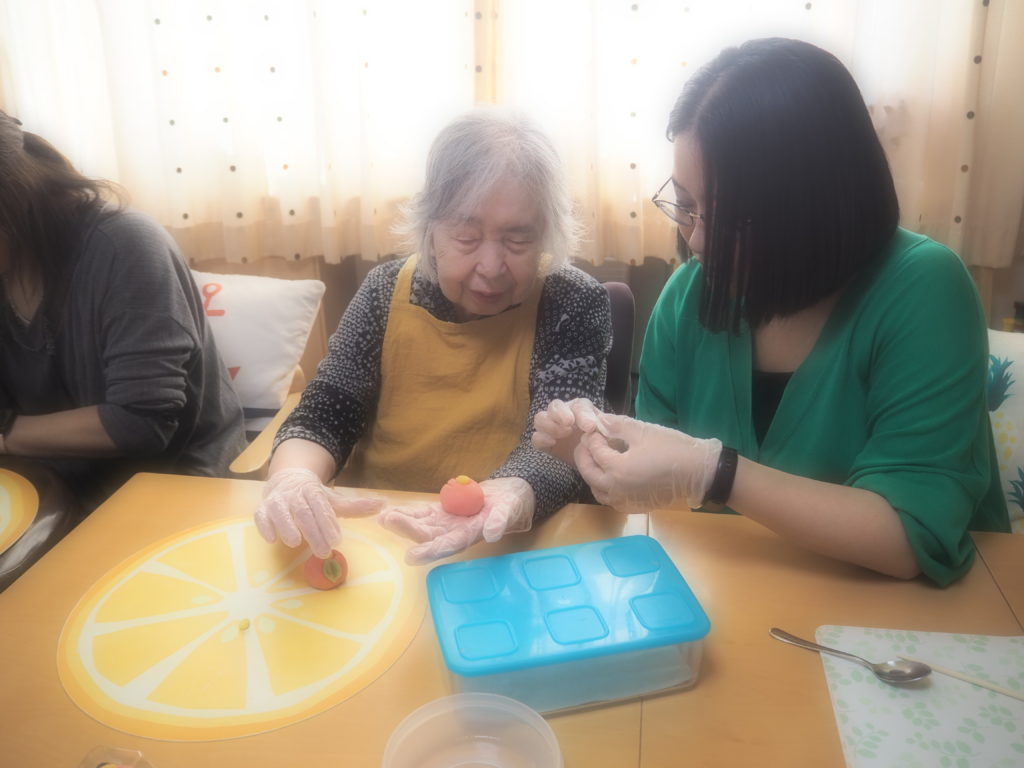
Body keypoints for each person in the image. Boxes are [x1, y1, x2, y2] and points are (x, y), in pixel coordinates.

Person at [532, 38, 1009, 587]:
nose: (698, 240)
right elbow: (662, 493)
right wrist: (598, 452)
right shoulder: (688, 296)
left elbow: (907, 538)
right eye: (686, 204)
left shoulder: (924, 288)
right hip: (743, 594)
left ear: (822, 207)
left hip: (910, 615)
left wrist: (715, 473)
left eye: (735, 218)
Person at [254, 107, 612, 564]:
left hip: (510, 541)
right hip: (381, 535)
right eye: (466, 236)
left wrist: (512, 493)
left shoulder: (572, 301)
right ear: (430, 229)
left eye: (518, 240)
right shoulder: (384, 291)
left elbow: (562, 445)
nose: (491, 266)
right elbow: (327, 411)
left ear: (546, 234)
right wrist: (294, 478)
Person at [0, 110, 246, 510]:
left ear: (14, 201)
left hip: (172, 486)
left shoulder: (125, 246)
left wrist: (6, 436)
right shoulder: (9, 261)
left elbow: (139, 423)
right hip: (48, 485)